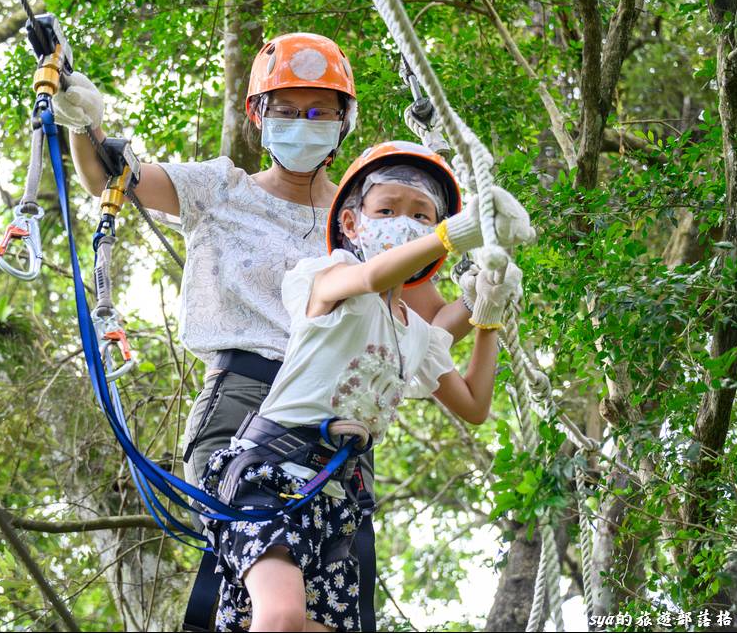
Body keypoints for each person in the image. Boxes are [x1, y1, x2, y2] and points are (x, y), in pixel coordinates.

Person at [51, 33, 526, 628]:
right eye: (286, 109)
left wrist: (486, 298)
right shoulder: (228, 191)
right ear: (257, 115)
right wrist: (82, 122)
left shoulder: (374, 222)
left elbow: (424, 329)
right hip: (248, 406)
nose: (305, 122)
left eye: (321, 110)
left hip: (342, 424)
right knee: (274, 607)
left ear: (344, 121)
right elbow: (108, 176)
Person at [199, 140, 532, 632]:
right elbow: (375, 274)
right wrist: (456, 232)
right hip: (268, 474)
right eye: (387, 209)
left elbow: (475, 404)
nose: (404, 222)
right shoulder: (327, 278)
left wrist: (487, 313)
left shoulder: (414, 335)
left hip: (336, 504)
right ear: (353, 225)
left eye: (422, 215)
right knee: (283, 618)